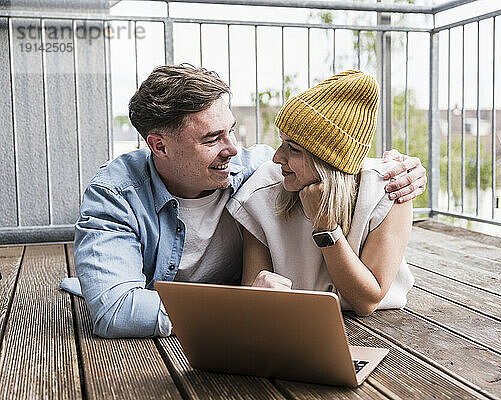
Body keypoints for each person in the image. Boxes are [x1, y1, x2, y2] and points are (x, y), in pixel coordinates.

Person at [59, 65, 427, 338]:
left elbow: (329, 158)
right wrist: (236, 306)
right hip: (174, 326)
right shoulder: (115, 194)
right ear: (159, 145)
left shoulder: (254, 170)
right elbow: (116, 311)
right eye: (212, 138)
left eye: (232, 129)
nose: (233, 149)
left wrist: (404, 169)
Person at [227, 70, 413, 315]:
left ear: (328, 162)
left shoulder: (388, 188)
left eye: (292, 148)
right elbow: (255, 289)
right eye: (281, 142)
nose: (277, 157)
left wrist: (326, 227)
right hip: (291, 320)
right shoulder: (262, 192)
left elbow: (366, 301)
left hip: (384, 324)